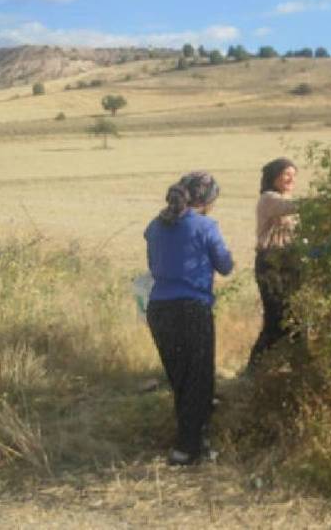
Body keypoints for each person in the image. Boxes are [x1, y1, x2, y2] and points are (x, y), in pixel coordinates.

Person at [144, 171, 234, 465]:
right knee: (199, 378)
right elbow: (225, 265)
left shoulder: (155, 225)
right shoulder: (205, 225)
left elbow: (154, 265)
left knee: (180, 377)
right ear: (206, 200)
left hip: (159, 308)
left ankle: (194, 440)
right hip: (192, 307)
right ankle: (187, 448)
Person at [242, 157, 303, 379]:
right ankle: (254, 370)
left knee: (294, 317)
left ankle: (296, 370)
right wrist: (326, 202)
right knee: (276, 317)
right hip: (271, 264)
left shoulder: (286, 200)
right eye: (286, 174)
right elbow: (292, 207)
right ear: (274, 177)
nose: (291, 179)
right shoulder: (269, 199)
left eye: (294, 175)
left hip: (289, 263)